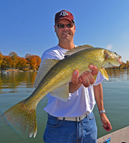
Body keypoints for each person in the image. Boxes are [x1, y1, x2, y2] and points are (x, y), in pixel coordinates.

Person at [40, 10, 112, 143]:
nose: (65, 29)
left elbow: (97, 84)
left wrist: (102, 113)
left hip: (88, 122)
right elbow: (67, 89)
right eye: (61, 25)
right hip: (59, 126)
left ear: (74, 27)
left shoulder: (88, 53)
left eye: (69, 25)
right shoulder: (50, 55)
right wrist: (78, 82)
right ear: (55, 29)